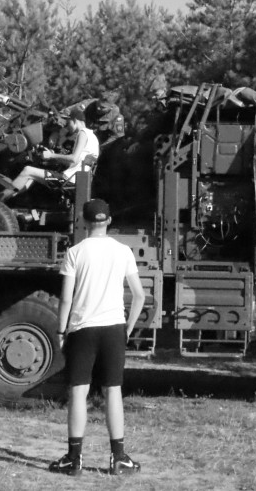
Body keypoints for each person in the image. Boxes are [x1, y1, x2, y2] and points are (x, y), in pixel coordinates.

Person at [50, 198, 145, 476]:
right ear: (109, 221)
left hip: (82, 328)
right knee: (112, 390)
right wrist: (127, 329)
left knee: (78, 390)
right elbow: (138, 295)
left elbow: (66, 298)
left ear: (84, 221)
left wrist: (60, 329)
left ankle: (74, 458)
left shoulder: (75, 252)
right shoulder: (123, 250)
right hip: (114, 327)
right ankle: (119, 458)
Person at [6, 107, 100, 195]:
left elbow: (73, 159)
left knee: (27, 170)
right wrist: (53, 156)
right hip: (77, 182)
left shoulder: (82, 133)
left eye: (68, 123)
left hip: (67, 181)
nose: (67, 127)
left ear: (74, 120)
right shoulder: (93, 137)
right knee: (32, 175)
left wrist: (52, 156)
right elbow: (74, 163)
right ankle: (7, 200)